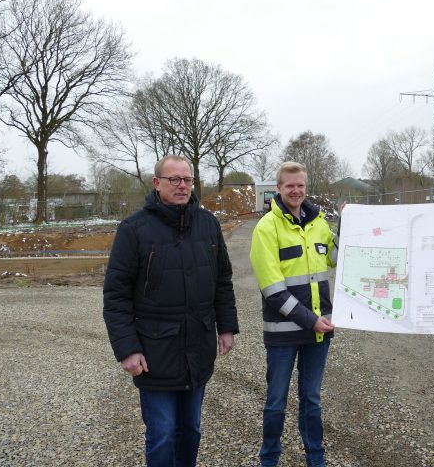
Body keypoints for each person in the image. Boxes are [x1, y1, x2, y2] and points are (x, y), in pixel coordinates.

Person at [103, 155, 239, 467]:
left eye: (187, 180)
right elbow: (116, 295)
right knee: (163, 433)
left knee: (190, 430)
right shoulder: (133, 229)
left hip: (198, 348)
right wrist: (127, 349)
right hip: (155, 352)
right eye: (174, 180)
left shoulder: (208, 225)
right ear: (157, 183)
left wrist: (227, 327)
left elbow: (223, 280)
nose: (181, 186)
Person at [249, 161, 338, 467]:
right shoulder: (266, 229)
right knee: (276, 402)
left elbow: (342, 258)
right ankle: (269, 459)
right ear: (278, 188)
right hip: (284, 335)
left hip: (319, 332)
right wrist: (310, 319)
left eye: (300, 185)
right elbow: (273, 291)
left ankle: (316, 458)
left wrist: (354, 228)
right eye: (289, 186)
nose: (296, 190)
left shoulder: (319, 223)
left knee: (311, 400)